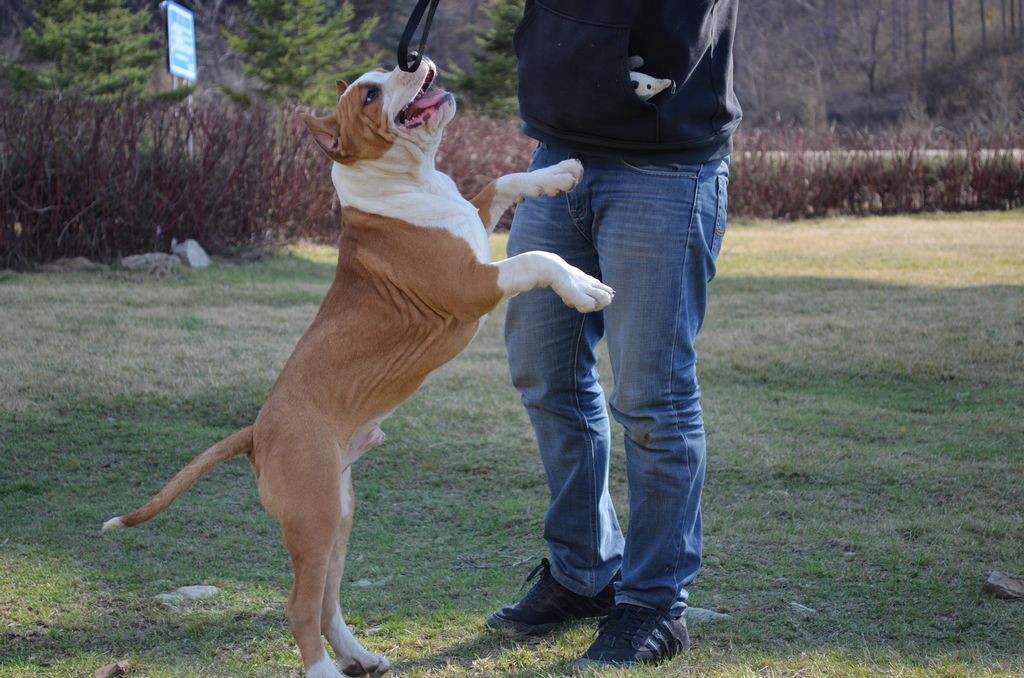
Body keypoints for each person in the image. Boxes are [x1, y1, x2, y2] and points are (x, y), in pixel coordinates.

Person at [485, 0, 742, 668]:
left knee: (653, 397)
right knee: (544, 372)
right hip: (559, 150)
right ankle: (585, 573)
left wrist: (654, 59)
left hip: (668, 160)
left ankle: (655, 604)